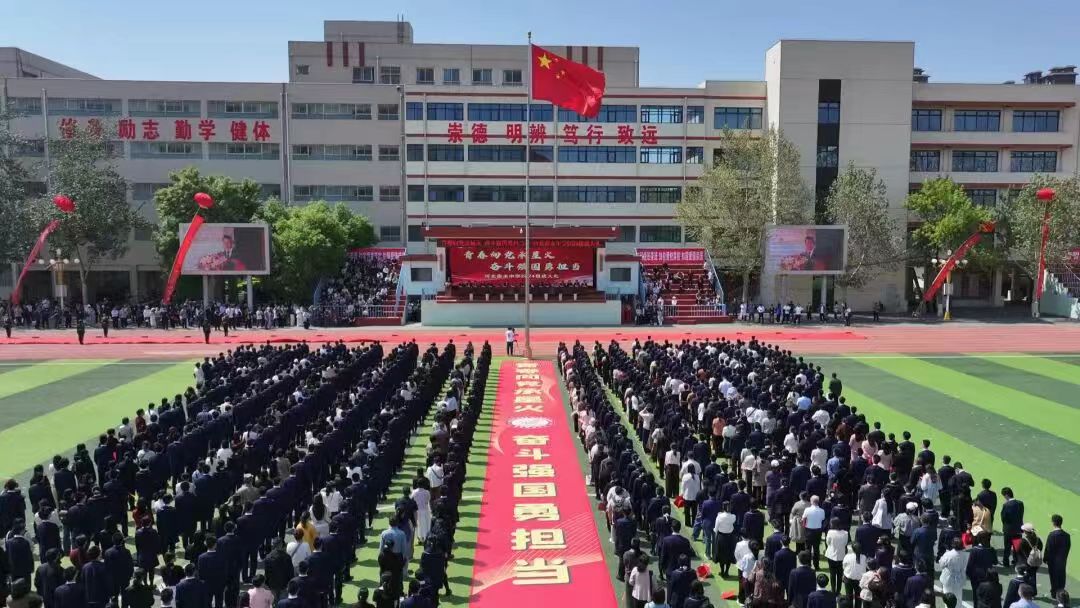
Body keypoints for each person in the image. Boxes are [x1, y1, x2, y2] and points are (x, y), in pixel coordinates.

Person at [1044, 514, 1070, 599]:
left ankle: (1054, 593)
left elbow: (1048, 549)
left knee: (1053, 577)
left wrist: (1045, 558)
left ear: (1053, 523)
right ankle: (1061, 592)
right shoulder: (1067, 535)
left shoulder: (1052, 535)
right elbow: (1068, 547)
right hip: (1062, 560)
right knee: (1062, 575)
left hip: (1053, 561)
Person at [825, 517, 849, 594]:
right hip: (841, 555)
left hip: (831, 555)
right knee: (839, 574)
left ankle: (833, 590)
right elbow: (845, 544)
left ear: (833, 524)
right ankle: (838, 591)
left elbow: (827, 542)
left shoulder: (830, 532)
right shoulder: (845, 533)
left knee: (832, 574)